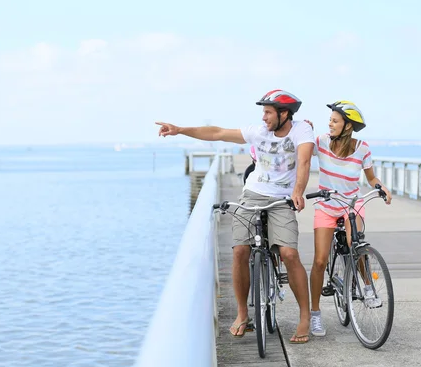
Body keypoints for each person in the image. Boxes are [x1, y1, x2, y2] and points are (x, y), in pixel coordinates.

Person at [156, 89, 315, 343]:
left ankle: (305, 317)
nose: (263, 117)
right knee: (240, 250)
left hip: (282, 199)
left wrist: (298, 191)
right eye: (263, 112)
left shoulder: (301, 131)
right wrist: (179, 129)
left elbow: (305, 162)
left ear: (284, 114)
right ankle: (243, 314)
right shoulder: (258, 132)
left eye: (268, 112)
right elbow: (217, 133)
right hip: (252, 194)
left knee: (289, 254)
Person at [308, 100, 392, 337]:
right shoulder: (321, 142)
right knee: (320, 261)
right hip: (326, 205)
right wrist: (304, 128)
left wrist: (381, 187)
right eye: (330, 120)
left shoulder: (362, 148)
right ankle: (315, 314)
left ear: (347, 126)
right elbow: (302, 150)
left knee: (357, 244)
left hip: (351, 205)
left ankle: (367, 287)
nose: (330, 124)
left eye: (335, 120)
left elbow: (371, 177)